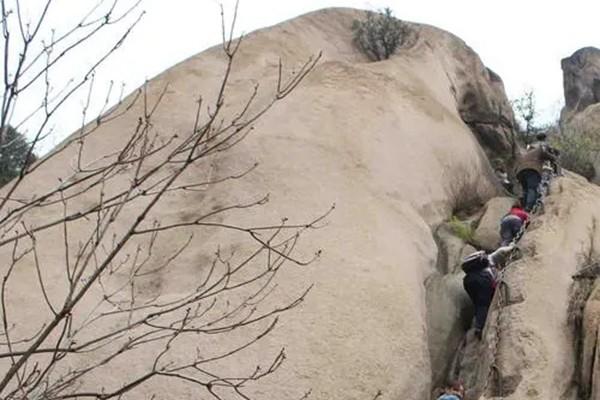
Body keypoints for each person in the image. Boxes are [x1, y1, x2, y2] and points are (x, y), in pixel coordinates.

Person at [461, 245, 514, 339]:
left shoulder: (487, 262)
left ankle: (478, 325)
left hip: (468, 281)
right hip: (480, 280)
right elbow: (500, 252)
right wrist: (511, 247)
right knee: (483, 304)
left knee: (479, 304)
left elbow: (500, 252)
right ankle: (480, 328)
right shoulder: (489, 263)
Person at [515, 136, 558, 212]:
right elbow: (547, 155)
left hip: (520, 171)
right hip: (532, 169)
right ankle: (528, 207)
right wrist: (554, 157)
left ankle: (523, 207)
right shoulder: (540, 149)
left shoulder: (527, 152)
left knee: (525, 189)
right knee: (532, 188)